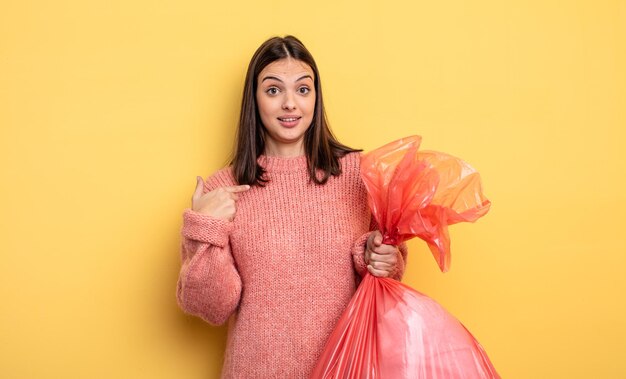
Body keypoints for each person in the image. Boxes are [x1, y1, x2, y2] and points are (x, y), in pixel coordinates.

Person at [175, 35, 408, 378]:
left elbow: (387, 270)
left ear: (315, 97)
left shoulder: (360, 174)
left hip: (348, 368)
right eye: (273, 90)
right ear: (254, 100)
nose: (289, 104)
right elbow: (212, 308)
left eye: (302, 89)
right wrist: (205, 230)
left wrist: (382, 257)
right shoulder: (223, 189)